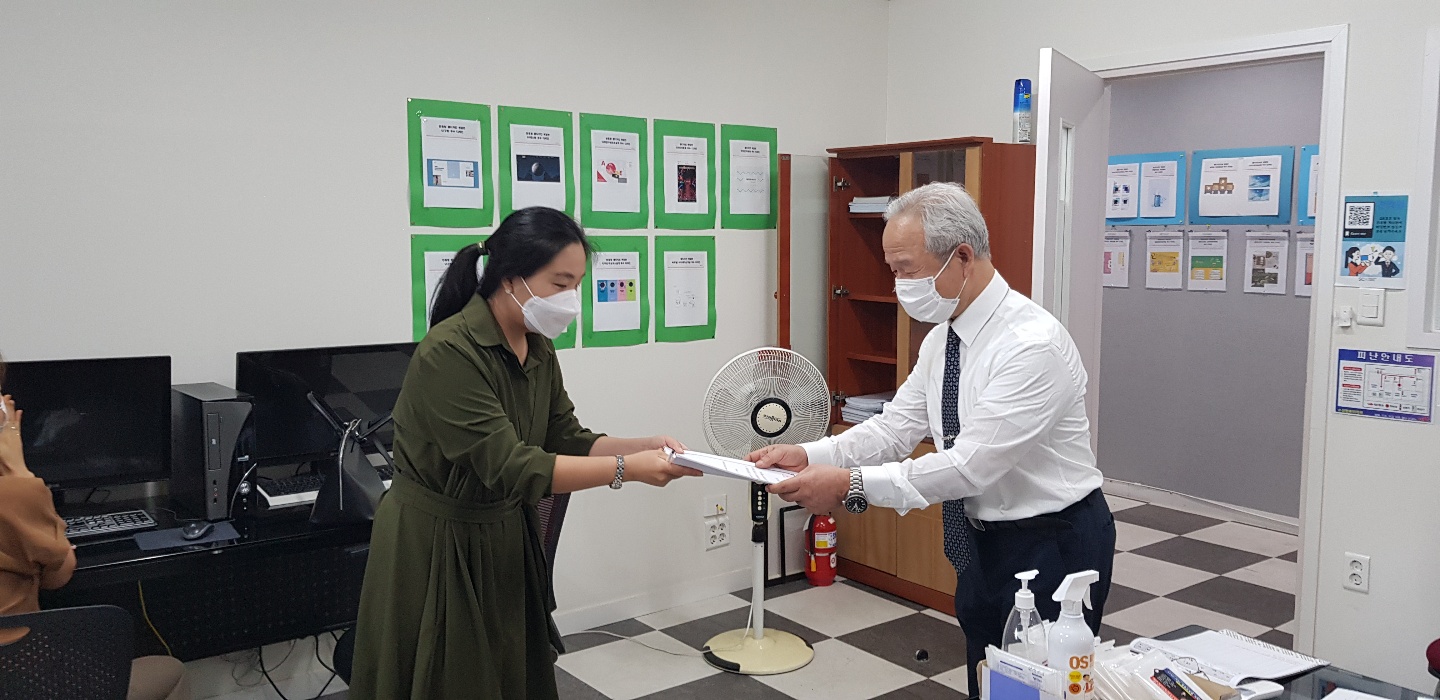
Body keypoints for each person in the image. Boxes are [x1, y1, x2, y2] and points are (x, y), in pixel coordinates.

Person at [751, 183, 1116, 692]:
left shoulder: (1031, 346)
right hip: (981, 539)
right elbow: (895, 426)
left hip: (1052, 541)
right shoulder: (946, 337)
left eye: (907, 269)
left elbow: (969, 467)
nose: (898, 285)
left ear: (962, 257)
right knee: (986, 676)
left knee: (1040, 688)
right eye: (893, 270)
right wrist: (809, 454)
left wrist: (848, 484)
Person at [349, 207, 701, 700]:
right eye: (560, 283)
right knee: (449, 676)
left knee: (507, 670)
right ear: (511, 278)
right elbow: (510, 465)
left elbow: (563, 434)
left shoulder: (536, 345)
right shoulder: (449, 353)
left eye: (577, 284)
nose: (570, 299)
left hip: (501, 535)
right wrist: (627, 469)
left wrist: (641, 446)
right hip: (437, 541)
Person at [0, 358, 190, 700]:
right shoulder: (17, 493)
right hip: (25, 675)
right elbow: (58, 576)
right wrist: (19, 470)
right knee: (170, 670)